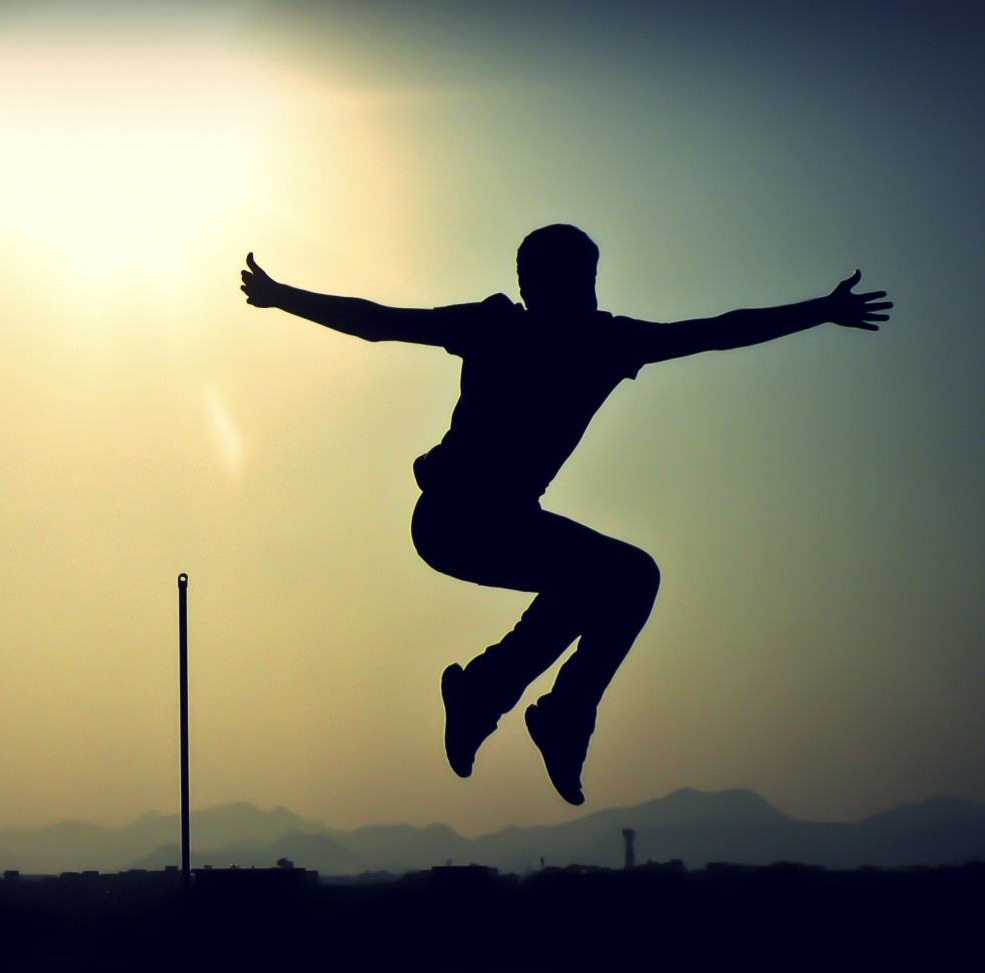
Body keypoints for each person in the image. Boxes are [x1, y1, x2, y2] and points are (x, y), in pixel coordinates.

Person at [239, 225, 890, 804]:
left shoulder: (601, 342)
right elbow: (377, 321)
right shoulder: (508, 329)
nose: (578, 289)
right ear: (538, 284)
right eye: (563, 279)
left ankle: (510, 699)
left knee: (617, 579)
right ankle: (527, 705)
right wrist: (282, 296)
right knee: (619, 577)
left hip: (494, 523)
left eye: (582, 277)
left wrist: (822, 310)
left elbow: (718, 332)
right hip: (452, 519)